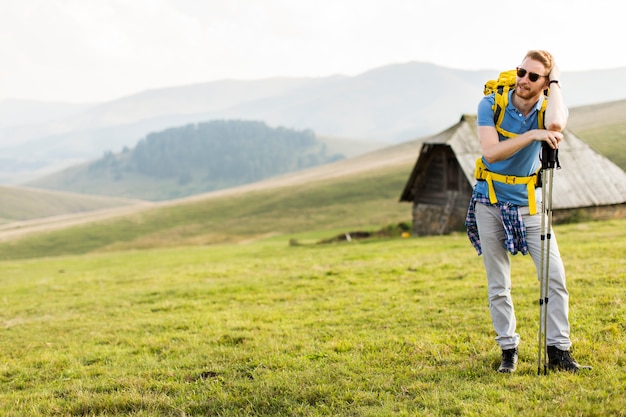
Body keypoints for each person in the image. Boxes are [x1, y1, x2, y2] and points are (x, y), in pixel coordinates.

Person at [465, 50, 590, 373]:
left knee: (554, 278)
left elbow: (557, 124)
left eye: (534, 76)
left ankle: (559, 352)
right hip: (489, 201)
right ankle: (508, 349)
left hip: (530, 205)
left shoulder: (548, 107)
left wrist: (557, 81)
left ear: (545, 83)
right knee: (498, 283)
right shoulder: (491, 104)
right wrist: (533, 135)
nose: (523, 80)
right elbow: (490, 153)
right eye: (521, 72)